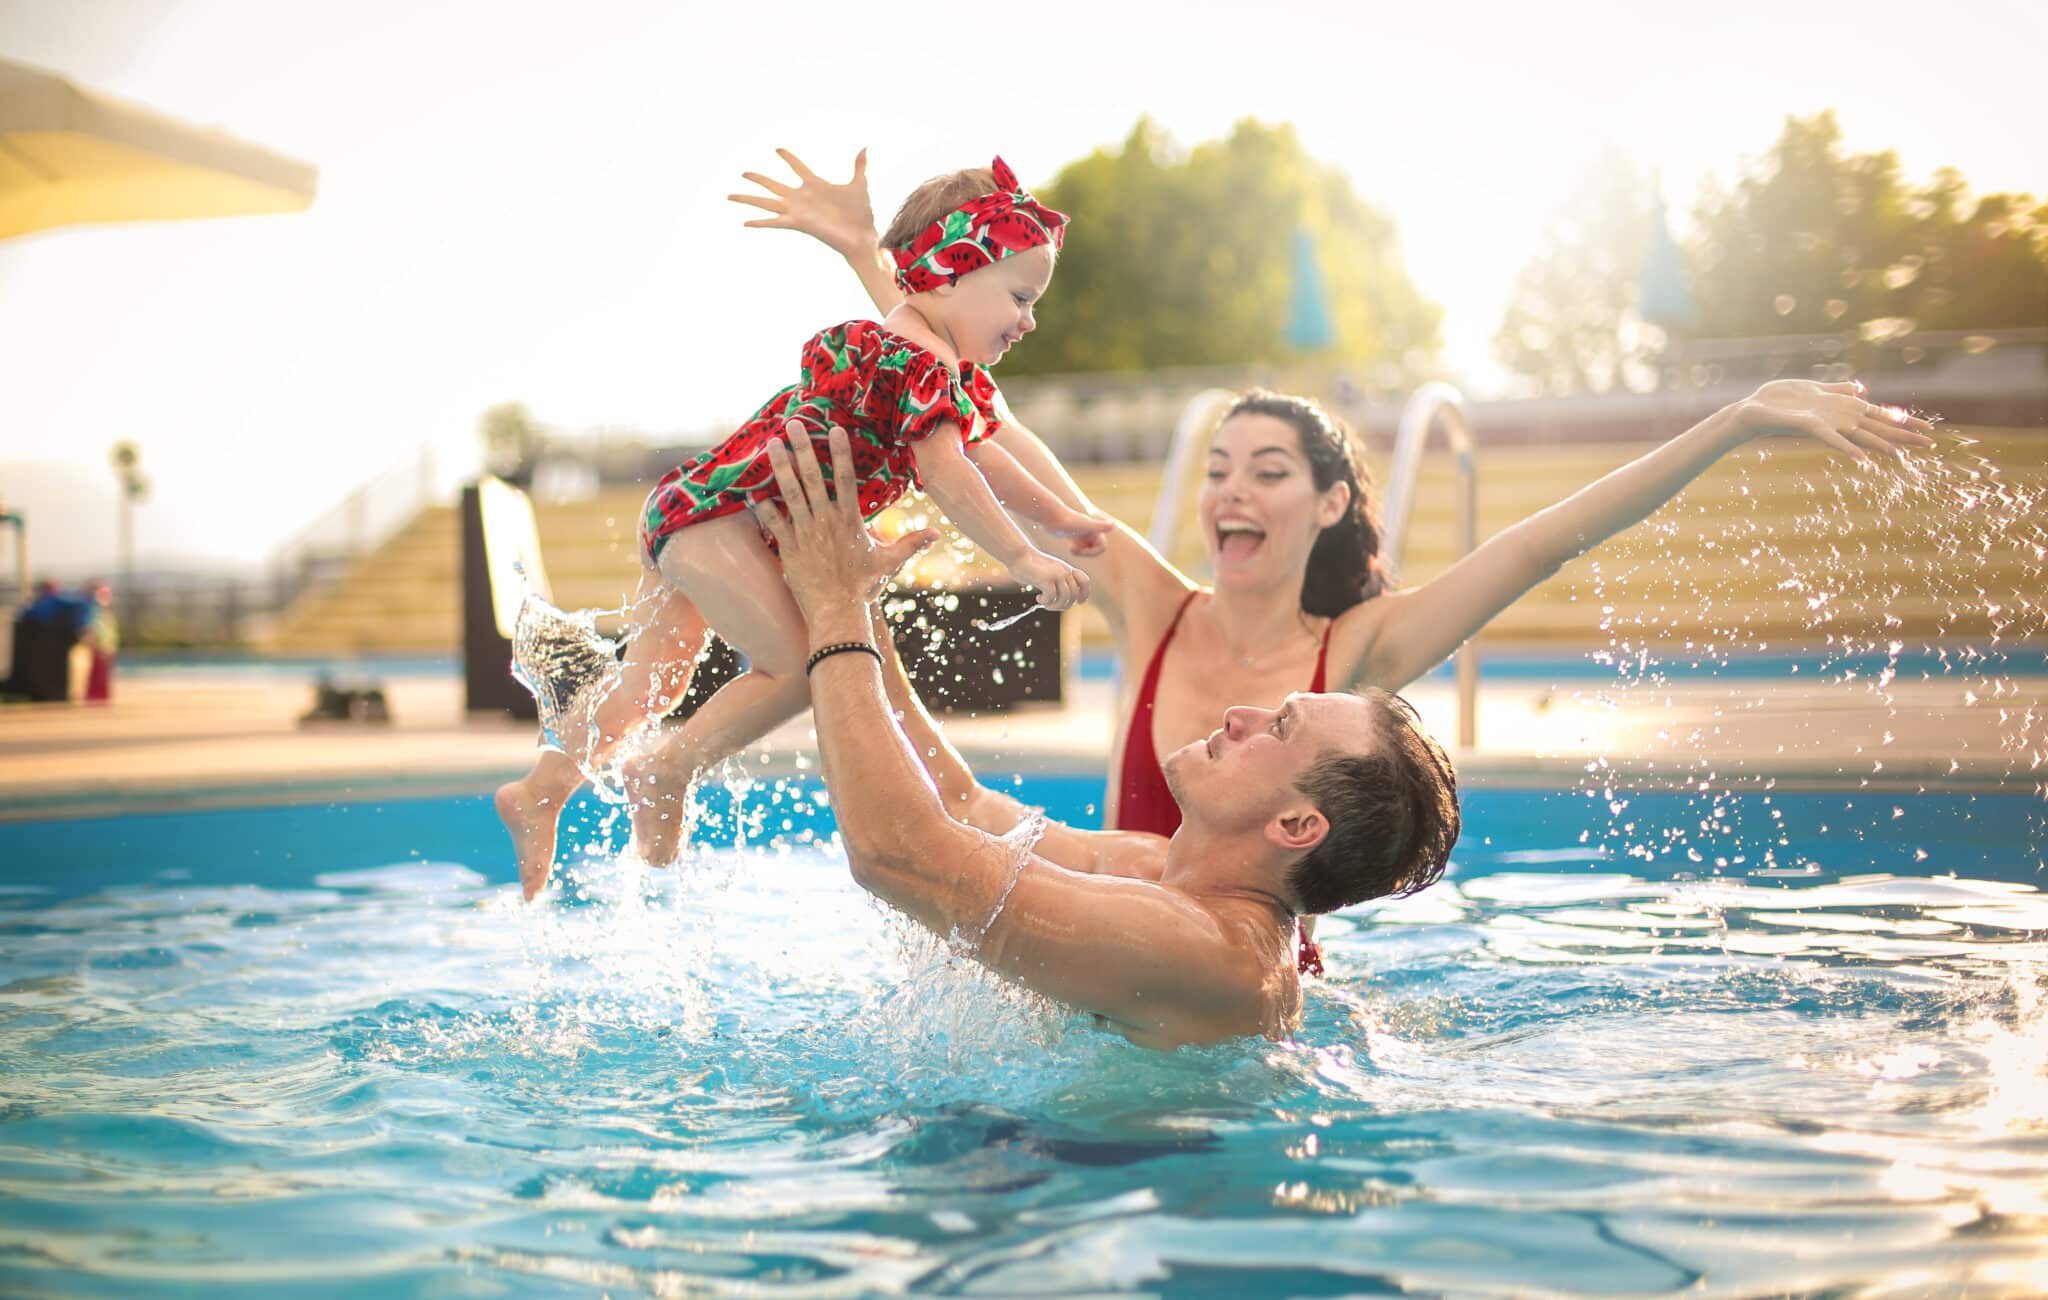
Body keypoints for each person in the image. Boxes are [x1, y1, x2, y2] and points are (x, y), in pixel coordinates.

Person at [729, 148, 1939, 967]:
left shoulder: (1351, 661)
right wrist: (873, 270)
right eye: (1216, 468)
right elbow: (975, 411)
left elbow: (1543, 539)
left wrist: (1728, 423)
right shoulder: (1154, 607)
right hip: (1106, 924)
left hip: (1170, 968)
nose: (1227, 492)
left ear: (1327, 504)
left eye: (1263, 470)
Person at [496, 157, 1110, 900]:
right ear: (948, 275)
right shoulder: (913, 360)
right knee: (799, 670)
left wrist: (1065, 518)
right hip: (722, 521)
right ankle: (663, 771)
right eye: (1018, 296)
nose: (1029, 320)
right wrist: (1021, 555)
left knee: (654, 684)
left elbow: (987, 457)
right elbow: (952, 474)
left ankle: (542, 789)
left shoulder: (933, 366)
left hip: (694, 512)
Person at [758, 423, 1460, 1048]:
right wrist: (858, 601)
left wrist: (834, 608)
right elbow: (963, 809)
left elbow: (898, 855)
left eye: (1279, 727)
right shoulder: (1158, 870)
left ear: (1298, 823)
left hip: (1102, 1180)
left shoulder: (1203, 951)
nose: (1239, 716)